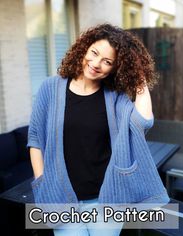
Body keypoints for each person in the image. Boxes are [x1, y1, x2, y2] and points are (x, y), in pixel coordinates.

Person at [27, 23, 170, 236]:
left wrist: (139, 76)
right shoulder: (50, 88)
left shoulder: (115, 96)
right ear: (84, 48)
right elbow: (36, 140)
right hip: (62, 198)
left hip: (107, 199)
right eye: (94, 53)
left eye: (107, 61)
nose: (96, 64)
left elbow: (142, 122)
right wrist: (42, 182)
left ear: (115, 67)